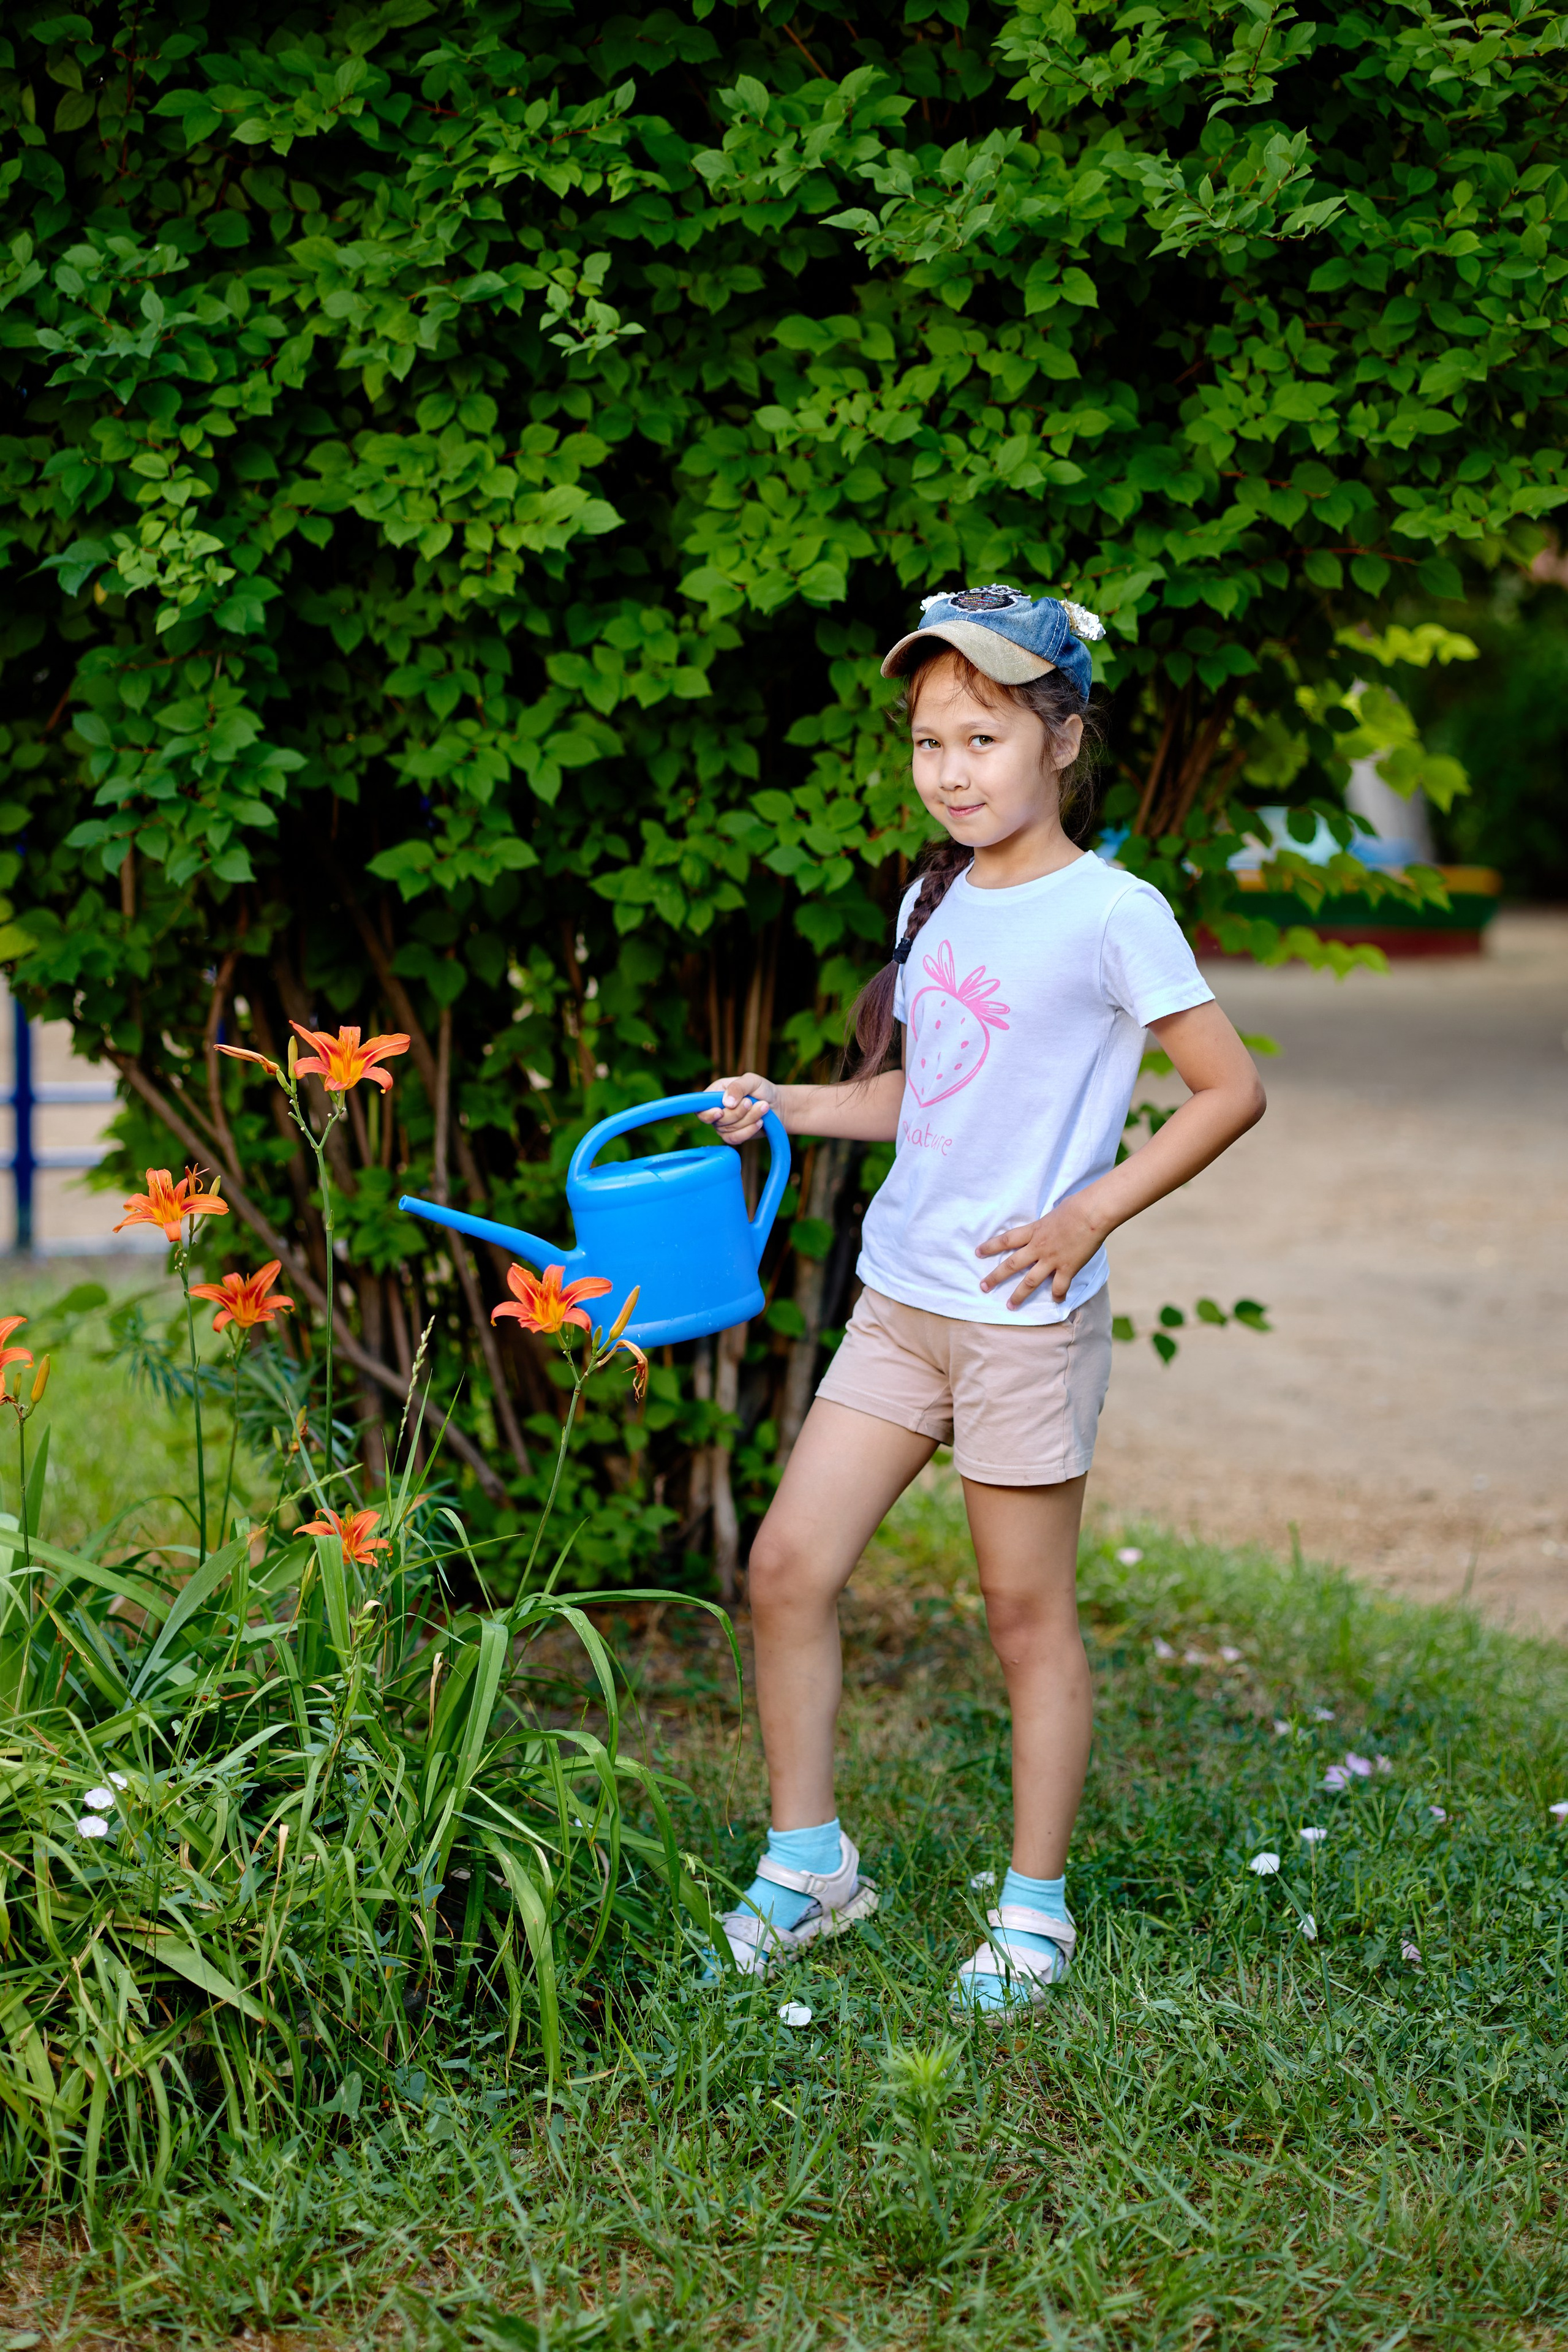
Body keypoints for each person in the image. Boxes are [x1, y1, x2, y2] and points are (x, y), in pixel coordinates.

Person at [699, 586, 1265, 2018]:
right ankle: (810, 1866)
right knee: (785, 1571)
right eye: (927, 740)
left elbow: (1229, 1090)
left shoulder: (1112, 913)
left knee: (1024, 1621)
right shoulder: (930, 896)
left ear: (1060, 739)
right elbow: (918, 1094)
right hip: (899, 1300)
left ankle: (1032, 1912)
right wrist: (785, 1104)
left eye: (984, 736)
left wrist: (1086, 1212)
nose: (952, 770)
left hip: (1022, 1320)